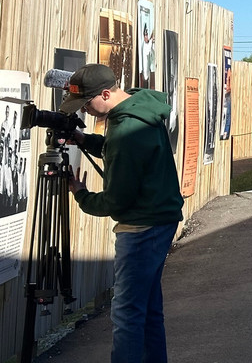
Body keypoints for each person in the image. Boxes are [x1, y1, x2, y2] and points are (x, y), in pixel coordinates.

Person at [62, 63, 184, 363]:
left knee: (127, 313)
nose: (85, 112)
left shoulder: (126, 129)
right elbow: (124, 151)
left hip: (141, 228)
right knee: (148, 309)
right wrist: (86, 140)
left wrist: (81, 194)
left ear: (105, 94)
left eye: (87, 103)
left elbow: (117, 201)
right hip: (159, 219)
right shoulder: (138, 110)